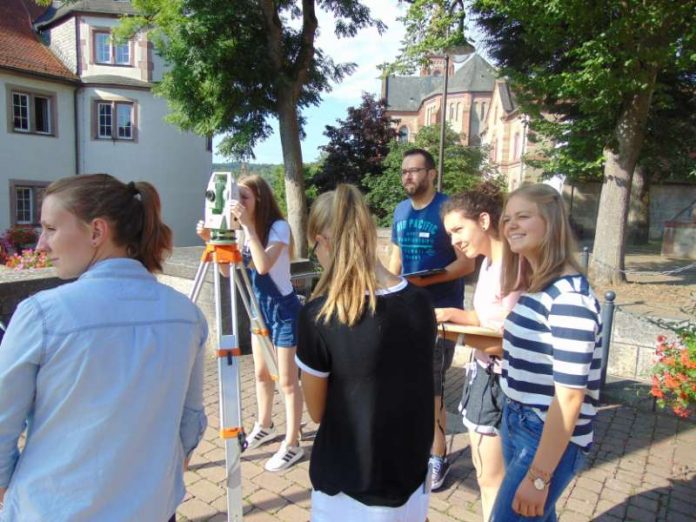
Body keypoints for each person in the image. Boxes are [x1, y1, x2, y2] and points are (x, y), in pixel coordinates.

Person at [0, 174, 207, 522]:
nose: (40, 245)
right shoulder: (187, 315)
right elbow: (190, 424)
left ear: (97, 232)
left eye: (50, 228)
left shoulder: (41, 316)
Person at [297, 184, 435, 521]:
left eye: (315, 246)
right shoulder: (420, 302)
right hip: (411, 476)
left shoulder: (321, 315)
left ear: (323, 241)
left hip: (348, 484)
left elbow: (316, 411)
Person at [491, 184, 602, 521]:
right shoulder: (539, 285)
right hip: (517, 421)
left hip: (542, 432)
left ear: (551, 222)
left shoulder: (569, 298)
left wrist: (539, 476)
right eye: (507, 218)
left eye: (523, 216)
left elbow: (570, 397)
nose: (510, 225)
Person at [197, 174, 303, 472]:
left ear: (259, 199)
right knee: (260, 374)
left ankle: (293, 442)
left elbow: (262, 265)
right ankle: (265, 424)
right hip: (258, 309)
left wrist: (246, 228)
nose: (238, 202)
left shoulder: (277, 229)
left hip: (283, 310)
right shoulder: (243, 231)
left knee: (286, 380)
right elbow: (228, 274)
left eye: (243, 197)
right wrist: (214, 241)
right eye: (235, 196)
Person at [389, 148, 476, 490]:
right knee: (405, 384)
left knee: (433, 389)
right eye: (404, 171)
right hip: (405, 310)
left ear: (432, 173)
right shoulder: (400, 210)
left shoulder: (449, 209)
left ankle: (438, 455)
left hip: (441, 313)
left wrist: (426, 280)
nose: (408, 176)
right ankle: (413, 446)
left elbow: (467, 264)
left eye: (415, 170)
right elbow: (395, 259)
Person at [434, 182, 521, 521]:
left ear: (484, 220)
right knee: (487, 475)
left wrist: (453, 334)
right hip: (484, 377)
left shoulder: (513, 267)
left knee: (494, 478)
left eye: (458, 229)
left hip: (502, 381)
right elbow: (487, 320)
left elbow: (510, 341)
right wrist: (455, 316)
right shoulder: (487, 263)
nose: (454, 240)